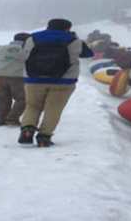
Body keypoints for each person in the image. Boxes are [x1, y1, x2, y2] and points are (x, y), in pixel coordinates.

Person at [18, 18, 93, 147]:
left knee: (32, 106)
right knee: (53, 109)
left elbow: (22, 56)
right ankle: (44, 137)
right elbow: (88, 54)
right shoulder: (73, 40)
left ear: (48, 26)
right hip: (64, 81)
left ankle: (27, 129)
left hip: (34, 79)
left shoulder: (32, 38)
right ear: (68, 28)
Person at [0, 32, 30, 126]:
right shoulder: (27, 50)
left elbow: (6, 56)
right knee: (22, 99)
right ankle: (12, 119)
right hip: (17, 77)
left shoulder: (1, 48)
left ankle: (1, 119)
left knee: (1, 99)